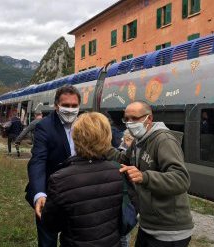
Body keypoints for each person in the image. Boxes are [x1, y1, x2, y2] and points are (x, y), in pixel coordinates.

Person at [106, 101, 193, 247]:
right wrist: (104, 147)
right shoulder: (138, 141)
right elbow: (124, 159)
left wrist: (144, 177)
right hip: (148, 225)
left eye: (135, 118)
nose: (129, 123)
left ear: (149, 119)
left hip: (169, 232)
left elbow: (181, 179)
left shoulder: (164, 140)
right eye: (126, 119)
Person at [41, 112, 123, 246]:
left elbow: (51, 225)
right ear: (107, 137)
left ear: (76, 137)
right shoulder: (119, 172)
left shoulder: (60, 179)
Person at [26, 84, 81, 247]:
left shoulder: (84, 123)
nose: (70, 110)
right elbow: (38, 161)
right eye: (65, 105)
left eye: (74, 106)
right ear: (56, 106)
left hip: (77, 192)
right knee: (47, 240)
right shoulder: (44, 126)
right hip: (50, 193)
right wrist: (39, 194)